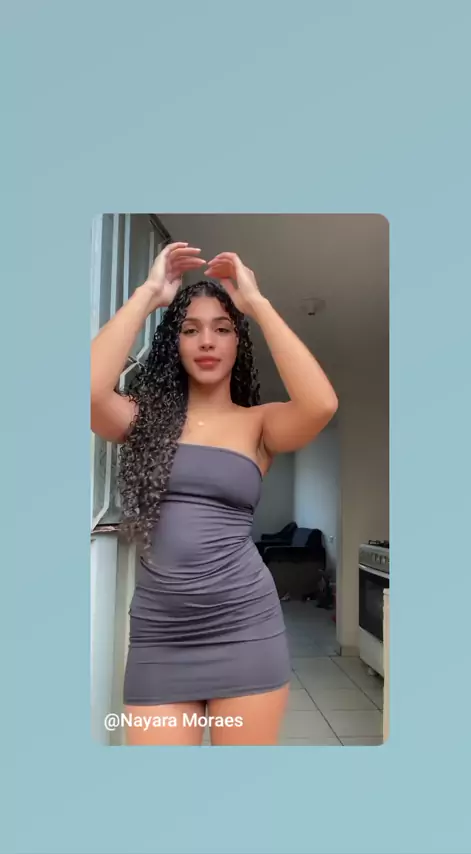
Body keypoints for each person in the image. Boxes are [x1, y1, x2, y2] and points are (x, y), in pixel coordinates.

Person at [90, 242, 338, 745]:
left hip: (244, 627)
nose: (207, 341)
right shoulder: (143, 419)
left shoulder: (259, 424)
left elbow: (320, 405)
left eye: (222, 329)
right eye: (191, 329)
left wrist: (257, 304)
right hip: (160, 635)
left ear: (238, 342)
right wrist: (147, 294)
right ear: (174, 343)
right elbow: (88, 392)